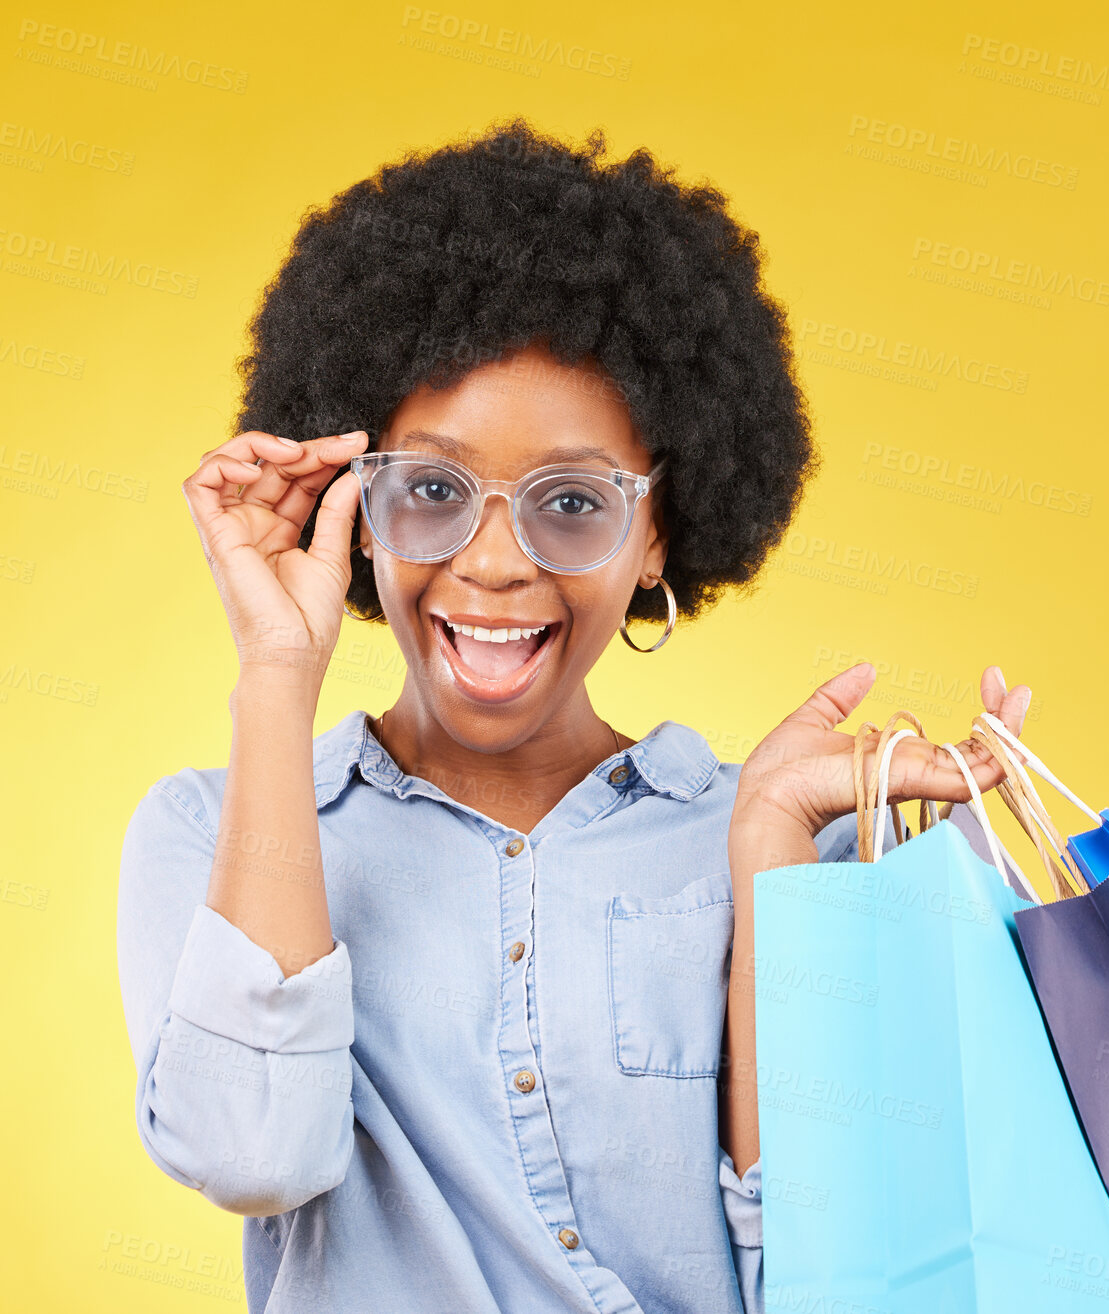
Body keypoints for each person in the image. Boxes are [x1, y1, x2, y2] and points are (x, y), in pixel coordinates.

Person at [116, 117, 1034, 1314]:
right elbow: (253, 1155)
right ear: (354, 503)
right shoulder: (206, 835)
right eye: (433, 491)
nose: (493, 563)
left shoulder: (795, 831)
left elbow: (832, 1277)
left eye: (570, 502)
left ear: (658, 532)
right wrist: (277, 672)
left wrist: (764, 859)